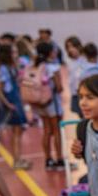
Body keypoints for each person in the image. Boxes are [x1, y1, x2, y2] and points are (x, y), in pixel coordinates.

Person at [31, 41, 67, 170]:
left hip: (40, 103)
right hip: (52, 102)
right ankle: (60, 159)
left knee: (46, 131)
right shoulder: (53, 67)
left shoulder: (36, 66)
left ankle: (48, 160)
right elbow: (60, 87)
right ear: (50, 52)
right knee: (57, 131)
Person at [0, 43, 30, 170]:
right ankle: (16, 160)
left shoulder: (12, 67)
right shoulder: (4, 69)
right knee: (16, 131)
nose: (16, 55)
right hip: (11, 101)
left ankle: (18, 158)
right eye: (13, 52)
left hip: (16, 100)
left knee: (19, 131)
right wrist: (7, 104)